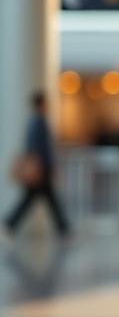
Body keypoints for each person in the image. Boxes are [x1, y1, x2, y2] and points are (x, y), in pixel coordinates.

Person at [4, 91, 71, 238]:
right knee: (41, 199)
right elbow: (40, 147)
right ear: (41, 104)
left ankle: (63, 228)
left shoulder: (34, 121)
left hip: (41, 168)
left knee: (43, 199)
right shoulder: (38, 121)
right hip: (41, 169)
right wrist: (46, 165)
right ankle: (9, 223)